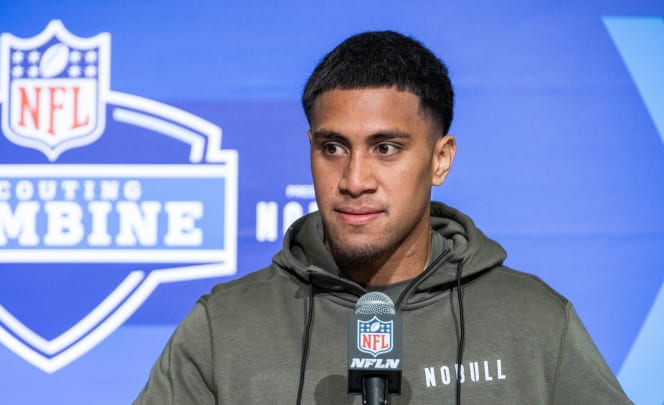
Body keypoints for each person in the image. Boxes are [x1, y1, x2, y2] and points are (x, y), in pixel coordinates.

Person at [133, 31, 632, 404]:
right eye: (333, 147)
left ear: (440, 159)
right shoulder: (224, 327)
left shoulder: (536, 322)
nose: (354, 179)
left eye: (386, 148)